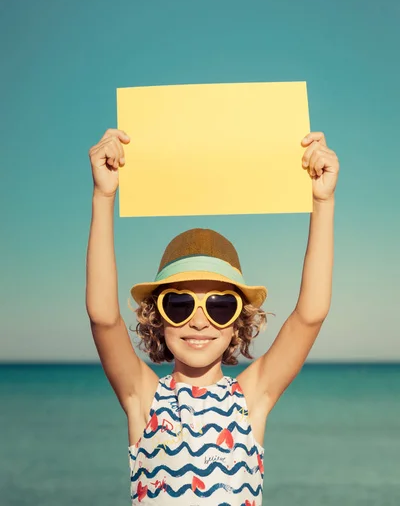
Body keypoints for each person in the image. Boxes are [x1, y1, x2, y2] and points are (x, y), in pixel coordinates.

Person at [86, 128, 339, 505]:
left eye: (220, 306)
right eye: (180, 304)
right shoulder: (145, 397)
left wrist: (324, 201)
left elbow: (310, 314)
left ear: (239, 321)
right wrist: (104, 196)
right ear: (157, 317)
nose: (199, 321)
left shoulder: (251, 397)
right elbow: (104, 318)